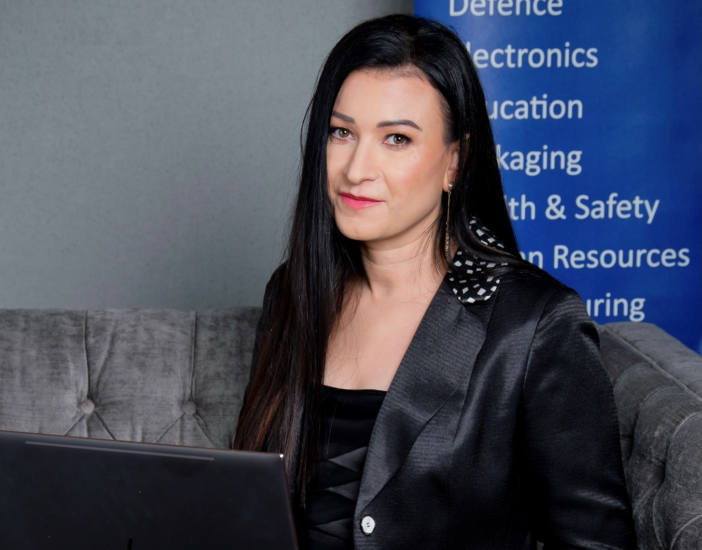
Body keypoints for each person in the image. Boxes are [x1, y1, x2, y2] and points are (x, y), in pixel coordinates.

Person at [234, 13, 636, 550]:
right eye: (341, 132)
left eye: (396, 138)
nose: (356, 169)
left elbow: (596, 544)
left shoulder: (533, 324)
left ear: (455, 161)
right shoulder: (294, 291)